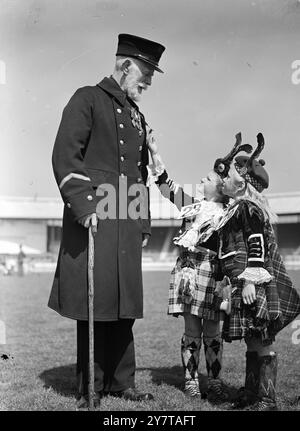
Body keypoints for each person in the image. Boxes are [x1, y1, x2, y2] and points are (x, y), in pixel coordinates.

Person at [48, 34, 165, 407]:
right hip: (95, 217)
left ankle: (121, 383)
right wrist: (83, 207)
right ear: (125, 65)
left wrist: (142, 223)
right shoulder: (87, 98)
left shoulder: (138, 117)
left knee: (123, 303)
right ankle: (90, 386)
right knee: (94, 306)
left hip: (126, 220)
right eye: (145, 73)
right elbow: (66, 154)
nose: (148, 82)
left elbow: (141, 174)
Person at [146, 131, 251, 400]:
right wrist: (154, 151)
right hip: (188, 275)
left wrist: (227, 282)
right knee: (191, 330)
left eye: (207, 179)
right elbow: (164, 184)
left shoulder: (228, 214)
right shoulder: (192, 206)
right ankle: (191, 381)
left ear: (220, 188)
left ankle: (214, 381)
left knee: (213, 332)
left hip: (214, 277)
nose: (201, 180)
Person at [214, 133, 300, 410]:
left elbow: (256, 244)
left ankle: (266, 398)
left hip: (253, 283)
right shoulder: (236, 208)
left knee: (261, 339)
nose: (221, 181)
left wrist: (251, 281)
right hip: (241, 283)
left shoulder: (248, 209)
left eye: (226, 177)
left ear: (241, 183)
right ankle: (251, 393)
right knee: (252, 338)